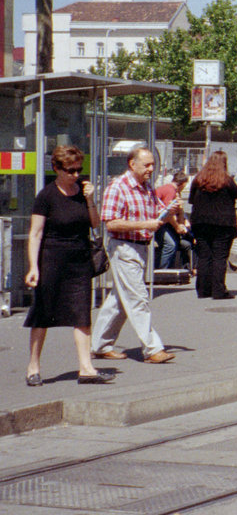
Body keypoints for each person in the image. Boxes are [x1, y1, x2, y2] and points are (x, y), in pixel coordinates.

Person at [23, 146, 114, 385]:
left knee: (82, 313)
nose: (76, 174)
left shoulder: (83, 191)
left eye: (79, 170)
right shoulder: (46, 196)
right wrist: (34, 267)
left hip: (79, 260)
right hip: (52, 258)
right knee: (42, 314)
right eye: (70, 170)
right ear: (57, 169)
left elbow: (95, 225)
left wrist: (91, 199)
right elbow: (35, 233)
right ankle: (33, 366)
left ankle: (86, 367)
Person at [92, 145, 177, 364]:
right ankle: (152, 348)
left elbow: (156, 215)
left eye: (152, 165)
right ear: (132, 164)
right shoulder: (118, 187)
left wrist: (169, 212)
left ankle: (100, 344)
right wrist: (145, 224)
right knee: (138, 298)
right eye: (147, 165)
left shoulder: (147, 187)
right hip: (124, 247)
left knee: (120, 299)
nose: (151, 169)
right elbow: (111, 223)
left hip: (141, 247)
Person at [189, 151, 237, 299]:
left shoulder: (198, 179)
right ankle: (218, 290)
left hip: (200, 222)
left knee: (204, 256)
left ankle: (203, 290)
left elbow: (192, 200)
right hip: (223, 223)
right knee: (220, 257)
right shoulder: (226, 180)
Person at [155, 172, 191, 269]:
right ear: (183, 183)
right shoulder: (170, 191)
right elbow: (169, 213)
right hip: (159, 223)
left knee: (177, 242)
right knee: (170, 245)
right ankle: (162, 271)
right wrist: (177, 226)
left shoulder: (172, 191)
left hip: (163, 222)